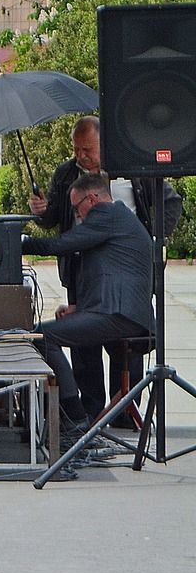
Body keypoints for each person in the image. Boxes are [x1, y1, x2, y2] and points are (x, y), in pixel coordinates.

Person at [29, 116, 180, 420]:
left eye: (88, 149)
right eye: (77, 149)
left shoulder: (131, 168)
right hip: (83, 271)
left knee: (120, 341)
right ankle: (90, 407)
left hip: (125, 274)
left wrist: (150, 242)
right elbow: (57, 221)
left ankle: (123, 408)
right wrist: (41, 214)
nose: (81, 156)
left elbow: (170, 203)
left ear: (104, 144)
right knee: (84, 346)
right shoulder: (66, 174)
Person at [31, 172, 156, 445]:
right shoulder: (119, 219)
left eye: (77, 208)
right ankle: (70, 412)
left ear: (93, 198)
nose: (78, 216)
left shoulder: (106, 214)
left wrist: (19, 243)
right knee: (48, 335)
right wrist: (78, 308)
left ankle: (74, 415)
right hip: (119, 311)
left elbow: (63, 244)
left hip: (120, 315)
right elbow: (108, 273)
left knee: (41, 336)